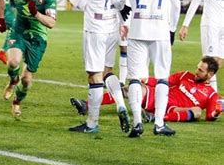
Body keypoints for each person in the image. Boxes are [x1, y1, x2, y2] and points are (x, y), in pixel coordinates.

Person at [112, 0, 183, 137]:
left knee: (134, 77)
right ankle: (159, 123)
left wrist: (123, 11)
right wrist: (172, 28)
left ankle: (137, 122)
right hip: (160, 30)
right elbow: (177, 5)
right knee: (162, 77)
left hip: (138, 29)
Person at [68, 0, 130, 134]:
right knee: (107, 71)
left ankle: (92, 123)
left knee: (94, 75)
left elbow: (81, 4)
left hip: (95, 27)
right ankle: (120, 104)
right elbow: (122, 4)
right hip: (113, 26)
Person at [71, 57, 222, 122]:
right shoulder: (185, 75)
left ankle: (156, 118)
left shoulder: (212, 95)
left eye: (201, 71)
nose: (196, 72)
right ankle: (87, 105)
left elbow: (209, 116)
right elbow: (164, 80)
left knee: (196, 111)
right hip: (160, 98)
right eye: (198, 68)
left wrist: (217, 112)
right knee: (130, 89)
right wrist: (147, 80)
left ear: (210, 74)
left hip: (174, 110)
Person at [0, 0, 56, 118]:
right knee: (13, 63)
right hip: (19, 30)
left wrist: (35, 13)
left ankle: (17, 101)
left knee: (27, 80)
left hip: (38, 37)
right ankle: (12, 80)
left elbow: (51, 23)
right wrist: (1, 19)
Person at [179, 0, 224, 92]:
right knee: (209, 62)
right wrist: (185, 25)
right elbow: (195, 2)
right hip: (210, 24)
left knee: (219, 62)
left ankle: (201, 92)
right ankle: (212, 96)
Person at [115, 0, 136, 85]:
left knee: (125, 46)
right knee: (107, 45)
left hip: (129, 14)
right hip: (112, 12)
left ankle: (122, 79)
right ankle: (103, 75)